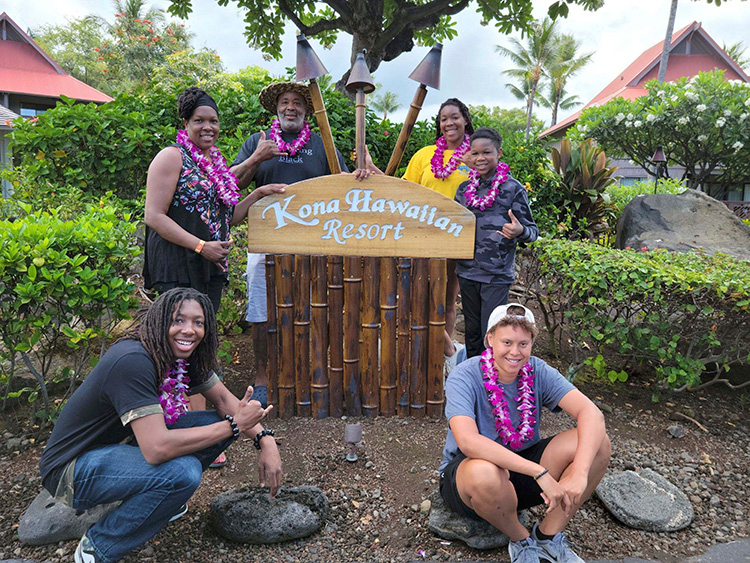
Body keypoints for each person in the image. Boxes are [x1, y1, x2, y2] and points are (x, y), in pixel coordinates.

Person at [39, 288, 282, 563]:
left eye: (198, 322)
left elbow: (227, 401)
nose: (189, 330)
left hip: (120, 448)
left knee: (216, 423)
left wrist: (266, 440)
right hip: (72, 470)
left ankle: (160, 503)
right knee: (184, 472)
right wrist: (234, 426)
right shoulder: (132, 361)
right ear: (159, 321)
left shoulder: (184, 356)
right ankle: (99, 546)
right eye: (178, 320)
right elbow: (156, 449)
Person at [143, 86, 282, 467]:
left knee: (199, 345)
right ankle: (175, 431)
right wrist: (200, 246)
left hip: (208, 268)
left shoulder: (213, 163)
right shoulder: (172, 157)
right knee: (175, 346)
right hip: (178, 263)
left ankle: (201, 431)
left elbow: (227, 217)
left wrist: (258, 194)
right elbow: (154, 215)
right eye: (200, 120)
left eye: (213, 121)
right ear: (185, 123)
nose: (208, 127)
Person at [230, 81, 367, 408]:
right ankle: (262, 375)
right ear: (276, 108)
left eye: (297, 103)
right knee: (260, 310)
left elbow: (344, 187)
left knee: (313, 308)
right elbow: (230, 185)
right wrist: (255, 159)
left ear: (307, 110)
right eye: (284, 102)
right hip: (265, 241)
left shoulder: (322, 145)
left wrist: (361, 174)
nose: (290, 107)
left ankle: (307, 372)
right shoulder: (257, 141)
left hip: (312, 242)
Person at [440, 303, 611, 563]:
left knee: (598, 443)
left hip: (521, 469)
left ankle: (548, 536)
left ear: (531, 343)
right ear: (490, 340)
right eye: (506, 342)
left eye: (523, 343)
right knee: (484, 472)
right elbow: (468, 441)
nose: (515, 352)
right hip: (470, 478)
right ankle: (521, 541)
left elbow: (592, 414)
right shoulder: (464, 375)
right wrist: (539, 472)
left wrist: (579, 473)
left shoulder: (537, 370)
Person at [402, 98, 475, 376]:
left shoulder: (475, 155)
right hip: (422, 240)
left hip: (459, 239)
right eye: (444, 119)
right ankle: (449, 351)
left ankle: (442, 362)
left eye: (454, 117)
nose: (449, 123)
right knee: (416, 298)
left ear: (465, 119)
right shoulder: (424, 155)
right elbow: (404, 190)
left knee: (447, 299)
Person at [454, 128, 539, 360]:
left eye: (487, 152)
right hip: (467, 272)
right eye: (475, 153)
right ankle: (472, 380)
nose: (480, 158)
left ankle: (492, 382)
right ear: (469, 156)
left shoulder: (513, 189)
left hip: (495, 275)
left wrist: (519, 230)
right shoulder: (463, 190)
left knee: (490, 333)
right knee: (471, 334)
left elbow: (533, 231)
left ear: (499, 153)